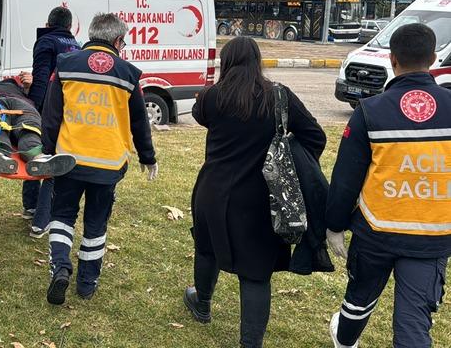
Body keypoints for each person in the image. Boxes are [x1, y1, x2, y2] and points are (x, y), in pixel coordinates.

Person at [183, 36, 326, 348]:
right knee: (256, 274)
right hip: (261, 197)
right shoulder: (278, 97)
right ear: (258, 61)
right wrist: (289, 156)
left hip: (212, 190)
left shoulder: (211, 97)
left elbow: (198, 115)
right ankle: (250, 343)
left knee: (206, 247)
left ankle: (202, 303)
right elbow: (316, 136)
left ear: (227, 61)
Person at [326, 23, 450, 348]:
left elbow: (345, 178)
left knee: (359, 301)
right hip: (430, 236)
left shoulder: (370, 111)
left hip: (375, 231)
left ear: (392, 59)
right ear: (434, 58)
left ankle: (345, 341)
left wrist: (335, 226)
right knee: (413, 324)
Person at [40, 12, 157, 305]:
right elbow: (139, 121)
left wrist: (47, 151)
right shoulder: (129, 73)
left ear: (91, 35)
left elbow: (51, 114)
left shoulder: (65, 64)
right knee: (95, 224)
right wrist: (148, 156)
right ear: (118, 41)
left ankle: (60, 267)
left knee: (62, 216)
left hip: (69, 159)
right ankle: (87, 283)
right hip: (108, 163)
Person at [23, 6, 82, 237]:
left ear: (48, 24)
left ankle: (38, 217)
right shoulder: (77, 46)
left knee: (39, 155)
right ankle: (34, 209)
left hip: (46, 108)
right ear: (69, 27)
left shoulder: (46, 42)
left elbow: (41, 79)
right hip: (67, 110)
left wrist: (32, 105)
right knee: (50, 157)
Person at [0, 74, 76, 178]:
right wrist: (27, 87)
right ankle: (39, 157)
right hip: (24, 105)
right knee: (29, 131)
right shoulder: (19, 88)